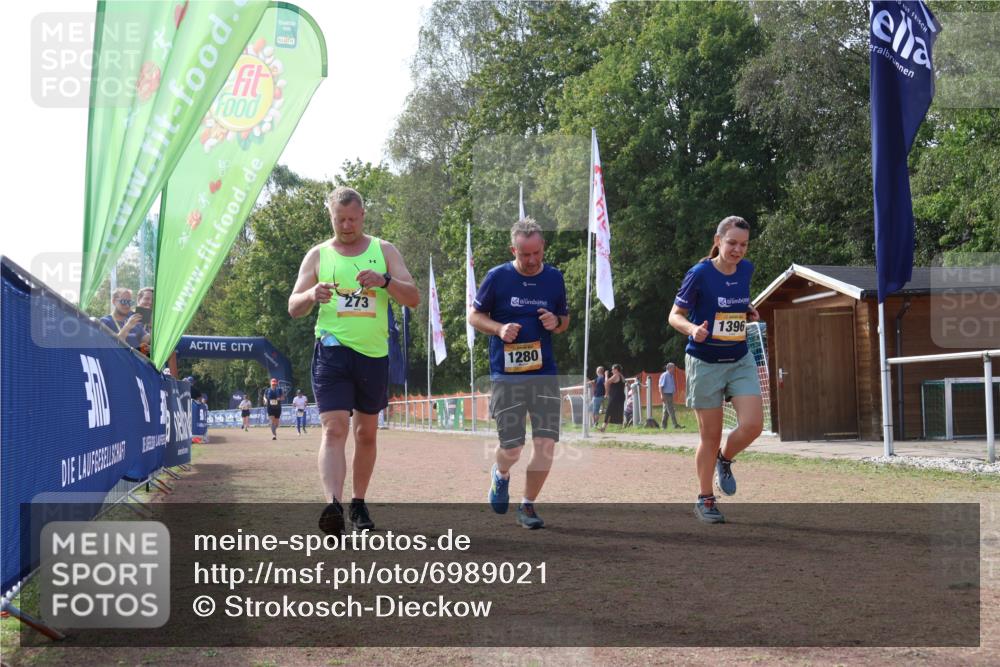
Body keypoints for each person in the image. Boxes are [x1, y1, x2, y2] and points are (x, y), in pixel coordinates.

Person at [288, 186, 420, 536]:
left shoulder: (384, 250)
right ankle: (333, 505)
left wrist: (385, 281)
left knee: (365, 434)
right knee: (334, 428)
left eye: (352, 219)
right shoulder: (317, 255)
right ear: (330, 217)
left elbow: (413, 298)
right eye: (339, 219)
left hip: (373, 355)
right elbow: (293, 307)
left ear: (363, 215)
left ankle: (358, 503)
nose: (346, 226)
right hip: (332, 350)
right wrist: (310, 294)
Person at [469, 218, 569, 530]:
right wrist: (499, 328)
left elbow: (565, 320)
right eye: (524, 254)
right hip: (507, 376)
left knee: (546, 444)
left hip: (544, 374)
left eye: (536, 253)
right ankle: (500, 476)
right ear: (514, 249)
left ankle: (528, 505)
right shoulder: (497, 277)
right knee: (512, 448)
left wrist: (557, 322)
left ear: (543, 249)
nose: (531, 260)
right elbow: (474, 316)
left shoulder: (554, 278)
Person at [668, 215, 763, 524]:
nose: (738, 250)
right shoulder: (699, 274)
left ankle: (726, 459)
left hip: (739, 358)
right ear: (718, 241)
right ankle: (705, 498)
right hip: (705, 362)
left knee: (753, 425)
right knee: (710, 435)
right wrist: (692, 329)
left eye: (744, 245)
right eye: (732, 243)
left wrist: (746, 312)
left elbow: (734, 304)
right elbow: (675, 315)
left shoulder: (746, 269)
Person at [599, 364, 625, 432]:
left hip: (615, 396)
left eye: (613, 369)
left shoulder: (616, 375)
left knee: (609, 411)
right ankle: (620, 428)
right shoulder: (622, 376)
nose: (612, 370)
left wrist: (606, 375)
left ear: (616, 369)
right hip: (621, 396)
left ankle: (603, 427)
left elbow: (606, 383)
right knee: (619, 411)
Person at [659, 362, 683, 429]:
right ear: (669, 368)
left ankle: (663, 426)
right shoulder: (665, 375)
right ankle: (675, 425)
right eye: (673, 368)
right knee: (671, 410)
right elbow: (661, 386)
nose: (674, 369)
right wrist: (662, 395)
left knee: (666, 411)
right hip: (666, 394)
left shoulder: (671, 375)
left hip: (669, 394)